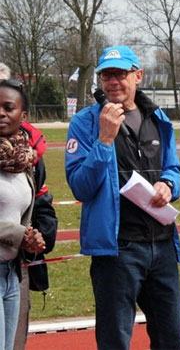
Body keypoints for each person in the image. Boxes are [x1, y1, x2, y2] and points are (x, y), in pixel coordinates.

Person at [65, 46, 180, 350]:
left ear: (138, 76)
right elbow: (80, 186)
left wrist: (169, 184)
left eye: (120, 74)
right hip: (117, 250)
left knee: (171, 338)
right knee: (115, 339)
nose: (113, 81)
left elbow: (173, 167)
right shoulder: (85, 123)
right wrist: (104, 139)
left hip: (162, 245)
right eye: (106, 75)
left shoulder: (158, 118)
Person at [0, 63, 58, 350]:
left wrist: (38, 237)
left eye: (7, 105)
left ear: (21, 115)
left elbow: (39, 206)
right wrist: (19, 233)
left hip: (12, 269)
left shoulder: (26, 159)